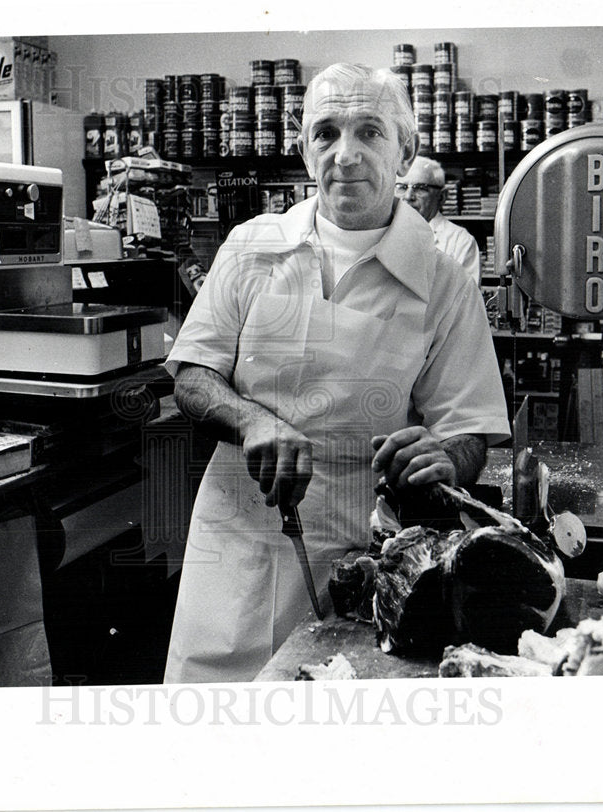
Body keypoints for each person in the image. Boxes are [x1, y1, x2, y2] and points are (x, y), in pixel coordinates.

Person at [162, 63, 510, 684]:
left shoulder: (442, 281)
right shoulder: (250, 247)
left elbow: (470, 430)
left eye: (369, 132)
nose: (345, 155)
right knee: (213, 730)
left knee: (336, 729)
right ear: (303, 150)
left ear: (404, 149)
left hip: (364, 550)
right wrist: (249, 419)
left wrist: (445, 460)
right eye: (325, 133)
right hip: (238, 535)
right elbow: (191, 374)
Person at [396, 155, 483, 285]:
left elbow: (464, 301)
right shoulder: (381, 234)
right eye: (402, 187)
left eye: (420, 188)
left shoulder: (460, 241)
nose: (408, 197)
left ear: (442, 197)